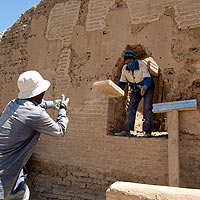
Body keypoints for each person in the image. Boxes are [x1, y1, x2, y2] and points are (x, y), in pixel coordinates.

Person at [0, 70, 69, 200]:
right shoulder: (34, 113)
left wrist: (54, 103)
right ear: (38, 92)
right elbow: (59, 130)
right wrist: (63, 110)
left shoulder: (13, 103)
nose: (44, 93)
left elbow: (38, 104)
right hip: (5, 173)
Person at [116, 50, 154, 137]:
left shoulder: (141, 64)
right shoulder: (125, 68)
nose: (128, 61)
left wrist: (145, 87)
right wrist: (116, 91)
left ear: (134, 59)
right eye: (126, 60)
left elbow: (147, 78)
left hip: (147, 86)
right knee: (131, 108)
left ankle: (147, 131)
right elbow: (122, 82)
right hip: (135, 88)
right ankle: (127, 130)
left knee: (147, 107)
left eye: (130, 59)